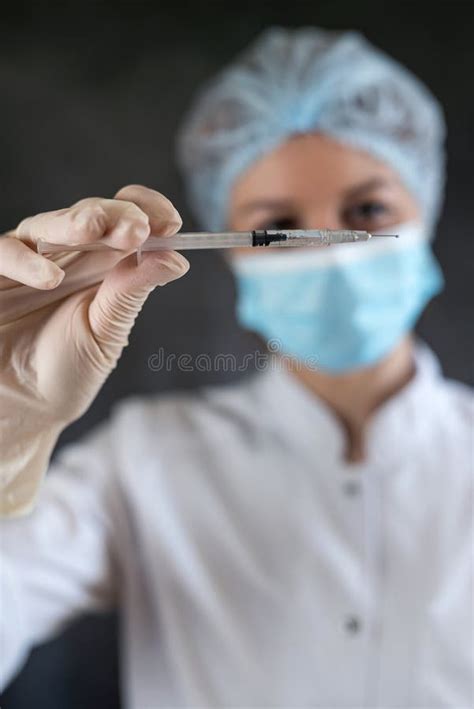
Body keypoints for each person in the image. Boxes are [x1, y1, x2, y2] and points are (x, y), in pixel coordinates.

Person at [0, 27, 472, 708]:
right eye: (276, 224)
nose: (332, 249)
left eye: (368, 210)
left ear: (425, 209)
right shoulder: (143, 463)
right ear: (233, 251)